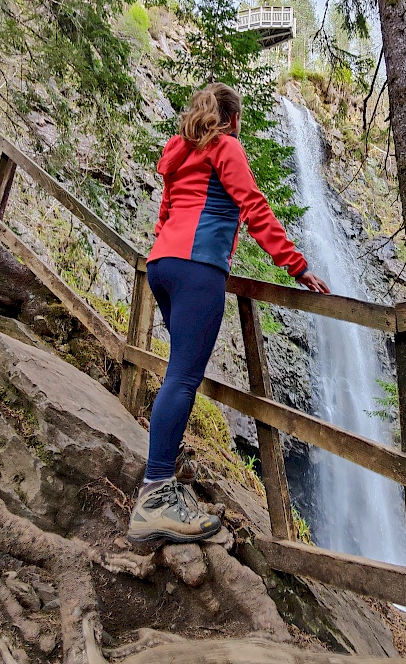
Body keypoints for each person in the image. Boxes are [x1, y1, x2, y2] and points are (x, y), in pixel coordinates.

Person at [127, 82, 330, 544]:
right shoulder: (226, 146)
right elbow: (253, 206)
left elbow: (166, 212)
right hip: (199, 268)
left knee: (177, 372)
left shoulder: (177, 153)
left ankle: (164, 473)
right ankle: (155, 497)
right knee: (182, 378)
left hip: (163, 264)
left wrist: (166, 252)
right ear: (232, 119)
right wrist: (296, 267)